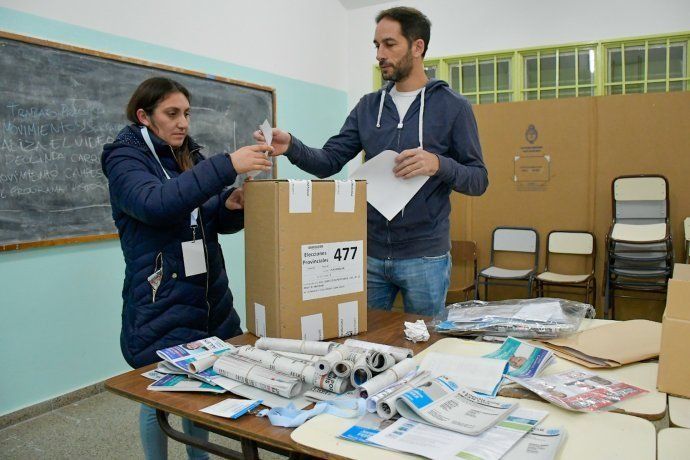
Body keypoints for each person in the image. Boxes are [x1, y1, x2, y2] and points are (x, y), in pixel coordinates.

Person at [255, 7, 488, 317]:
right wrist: (292, 146)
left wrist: (437, 164)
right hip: (369, 254)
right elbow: (329, 161)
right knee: (363, 344)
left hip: (425, 258)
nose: (380, 54)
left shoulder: (453, 107)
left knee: (423, 345)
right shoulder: (368, 106)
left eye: (389, 44)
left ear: (417, 47)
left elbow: (478, 179)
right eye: (376, 45)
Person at [101, 76, 271, 460]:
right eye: (172, 113)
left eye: (186, 114)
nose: (182, 122)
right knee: (157, 397)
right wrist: (227, 165)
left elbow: (203, 216)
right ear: (145, 116)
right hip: (161, 300)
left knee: (203, 391)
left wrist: (230, 204)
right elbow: (157, 204)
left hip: (207, 298)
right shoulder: (124, 159)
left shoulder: (186, 156)